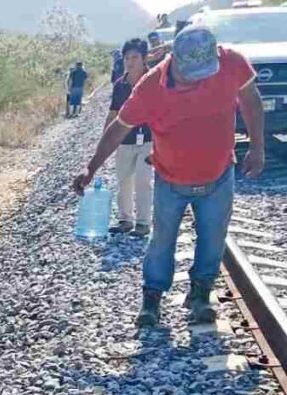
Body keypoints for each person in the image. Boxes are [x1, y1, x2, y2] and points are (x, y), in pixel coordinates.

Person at [74, 25, 265, 327]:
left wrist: (257, 148)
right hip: (171, 180)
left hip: (218, 175)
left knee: (213, 238)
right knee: (162, 241)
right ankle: (152, 298)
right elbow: (119, 128)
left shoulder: (231, 62)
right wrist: (92, 166)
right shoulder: (151, 87)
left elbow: (251, 100)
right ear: (174, 59)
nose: (200, 79)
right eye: (193, 74)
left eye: (205, 72)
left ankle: (201, 294)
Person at [106, 38, 154, 238]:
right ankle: (125, 220)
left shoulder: (154, 80)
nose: (130, 62)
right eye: (127, 58)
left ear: (144, 59)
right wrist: (106, 140)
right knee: (124, 181)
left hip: (149, 140)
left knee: (143, 181)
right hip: (125, 140)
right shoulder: (120, 85)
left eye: (135, 57)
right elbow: (113, 113)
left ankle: (143, 223)